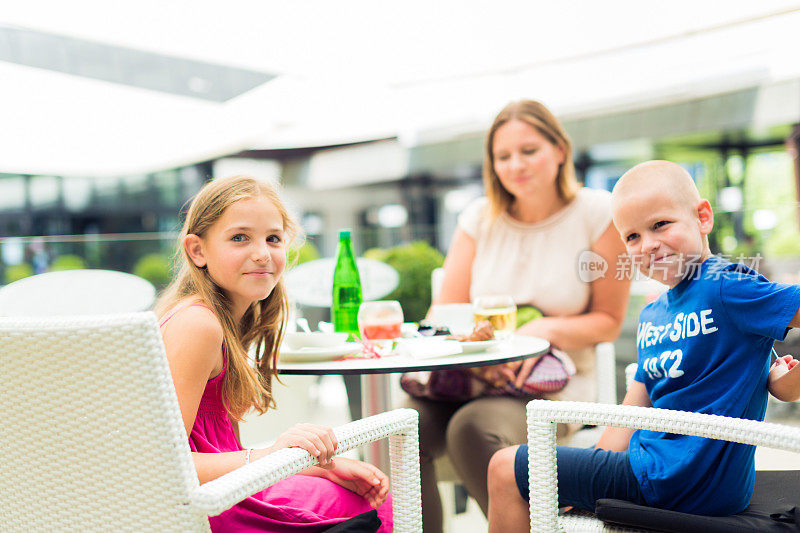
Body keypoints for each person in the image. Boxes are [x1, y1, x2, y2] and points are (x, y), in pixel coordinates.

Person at [486, 160, 800, 531]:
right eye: (632, 237)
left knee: (504, 468)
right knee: (541, 471)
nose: (648, 244)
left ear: (702, 217)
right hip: (671, 473)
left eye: (660, 224)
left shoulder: (725, 286)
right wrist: (585, 470)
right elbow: (633, 409)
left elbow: (786, 387)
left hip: (676, 476)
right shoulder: (654, 314)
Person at [403, 99, 630, 531]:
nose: (515, 165)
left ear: (560, 149)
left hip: (552, 385)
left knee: (472, 430)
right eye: (502, 156)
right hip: (472, 377)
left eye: (529, 150)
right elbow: (445, 312)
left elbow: (607, 321)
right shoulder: (479, 218)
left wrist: (542, 330)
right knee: (401, 426)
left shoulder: (597, 213)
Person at [155, 175, 392, 532]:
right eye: (239, 238)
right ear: (197, 250)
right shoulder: (198, 324)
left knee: (360, 489)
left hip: (218, 492)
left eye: (273, 238)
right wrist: (273, 456)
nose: (262, 253)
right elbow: (162, 466)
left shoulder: (217, 318)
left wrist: (314, 464)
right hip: (205, 509)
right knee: (378, 504)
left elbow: (216, 451)